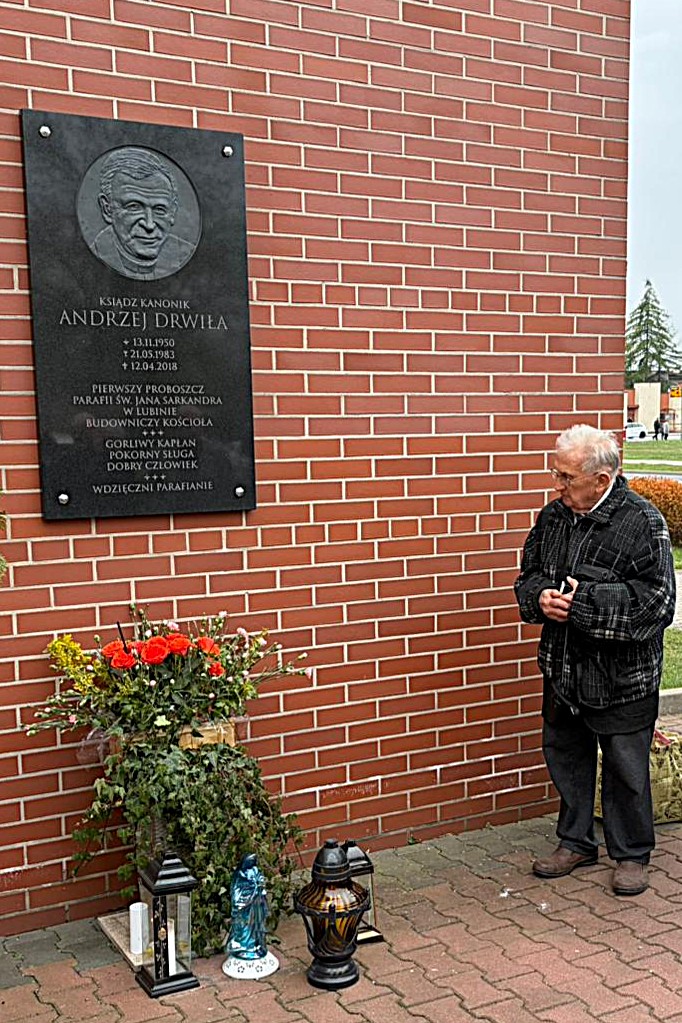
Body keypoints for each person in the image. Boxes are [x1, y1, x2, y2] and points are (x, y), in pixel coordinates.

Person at [514, 424, 675, 895]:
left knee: (626, 769)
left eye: (566, 477)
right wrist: (539, 597)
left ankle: (631, 854)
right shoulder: (553, 518)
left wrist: (583, 603)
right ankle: (576, 841)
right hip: (563, 668)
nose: (557, 486)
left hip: (623, 677)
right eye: (556, 474)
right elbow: (529, 574)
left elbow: (657, 603)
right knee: (566, 756)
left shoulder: (642, 523)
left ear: (601, 480)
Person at [93, 148, 195, 280]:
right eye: (134, 207)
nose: (149, 225)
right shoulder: (84, 259)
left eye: (159, 209)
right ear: (107, 209)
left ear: (173, 211)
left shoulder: (188, 255)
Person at [226, 853, 269, 960]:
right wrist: (247, 896)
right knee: (242, 925)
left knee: (255, 924)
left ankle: (255, 944)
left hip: (255, 906)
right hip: (244, 907)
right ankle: (243, 945)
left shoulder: (255, 870)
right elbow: (237, 891)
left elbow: (260, 882)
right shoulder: (240, 874)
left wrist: (260, 886)